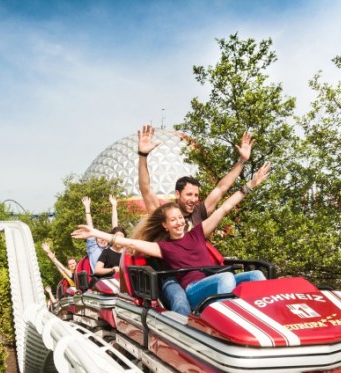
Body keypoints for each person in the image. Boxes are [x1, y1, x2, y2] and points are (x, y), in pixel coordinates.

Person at [72, 162, 272, 312]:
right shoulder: (164, 247)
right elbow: (128, 241)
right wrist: (96, 233)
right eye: (173, 220)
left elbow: (225, 206)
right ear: (165, 225)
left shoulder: (198, 232)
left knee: (257, 275)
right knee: (227, 278)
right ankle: (224, 325)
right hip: (193, 288)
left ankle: (263, 319)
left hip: (213, 280)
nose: (179, 222)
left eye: (180, 219)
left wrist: (251, 184)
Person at [137, 125, 255, 313]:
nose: (193, 200)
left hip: (199, 273)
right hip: (172, 275)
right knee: (180, 301)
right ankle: (182, 333)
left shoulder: (199, 211)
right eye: (189, 195)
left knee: (251, 275)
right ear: (177, 194)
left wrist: (242, 161)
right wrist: (142, 156)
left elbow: (221, 189)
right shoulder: (165, 214)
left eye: (196, 195)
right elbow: (146, 188)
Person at [82, 195, 119, 270]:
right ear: (95, 239)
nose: (103, 239)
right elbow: (90, 228)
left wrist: (114, 206)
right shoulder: (93, 248)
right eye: (100, 238)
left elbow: (116, 229)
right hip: (100, 279)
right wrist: (87, 207)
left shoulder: (111, 248)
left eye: (104, 237)